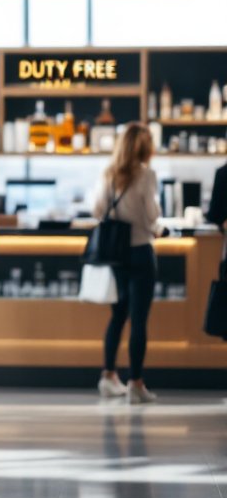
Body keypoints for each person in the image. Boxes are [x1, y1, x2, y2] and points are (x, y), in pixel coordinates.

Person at [94, 122, 161, 404]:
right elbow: (152, 214)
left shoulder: (109, 173)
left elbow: (97, 210)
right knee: (139, 320)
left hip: (116, 254)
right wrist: (156, 224)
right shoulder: (146, 176)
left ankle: (108, 376)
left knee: (117, 316)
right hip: (141, 252)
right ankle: (135, 383)